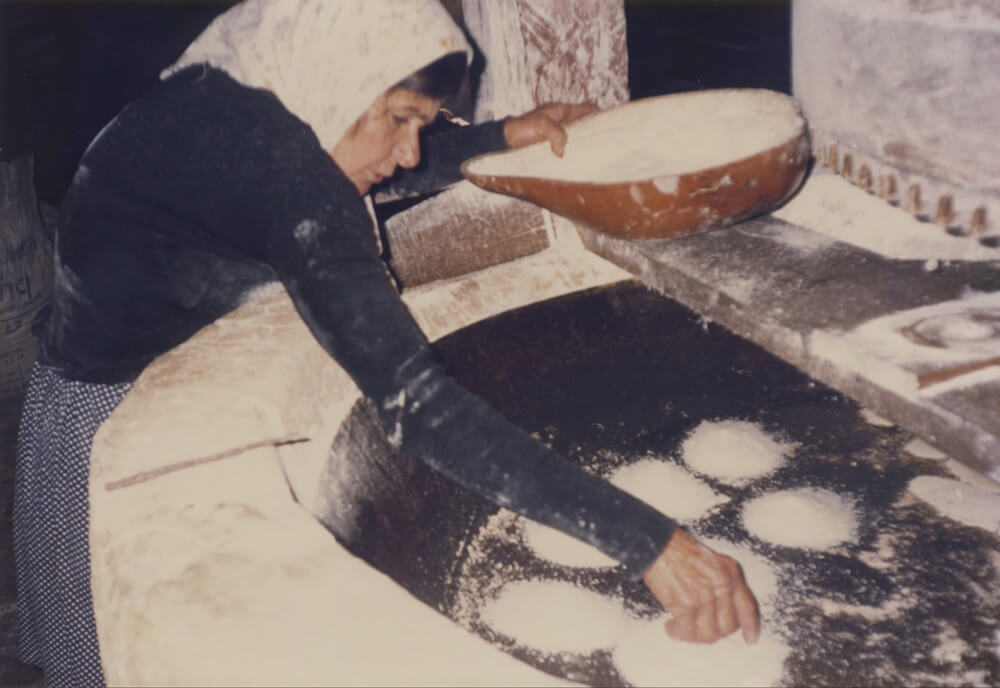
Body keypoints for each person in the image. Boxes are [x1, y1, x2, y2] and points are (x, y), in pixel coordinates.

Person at [13, 0, 759, 685]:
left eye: (425, 123)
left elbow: (361, 155)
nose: (408, 152)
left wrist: (503, 136)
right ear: (344, 79)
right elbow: (418, 406)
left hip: (126, 345)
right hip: (108, 412)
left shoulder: (269, 82)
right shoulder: (285, 172)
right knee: (106, 656)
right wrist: (648, 542)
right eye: (399, 117)